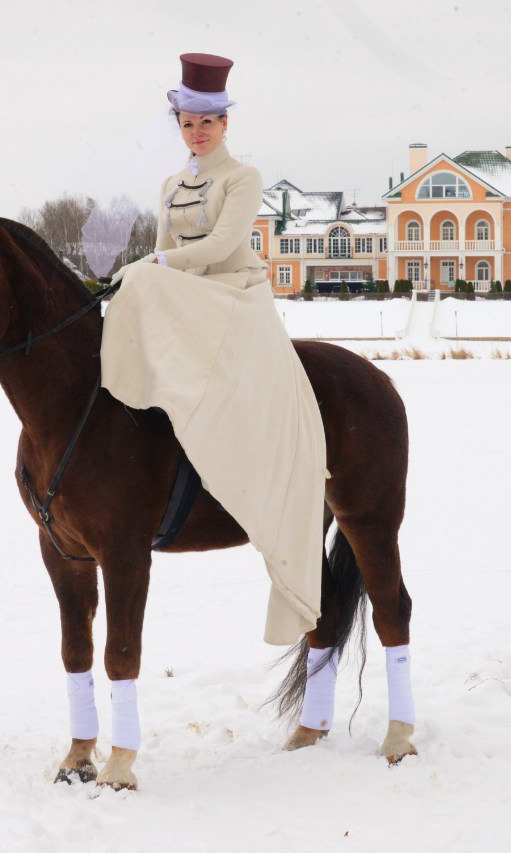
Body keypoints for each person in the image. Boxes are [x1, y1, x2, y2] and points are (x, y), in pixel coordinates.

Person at [101, 53, 328, 647]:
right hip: (185, 293)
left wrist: (156, 265)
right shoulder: (171, 185)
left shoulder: (242, 178)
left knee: (144, 276)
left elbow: (224, 243)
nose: (196, 133)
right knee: (135, 288)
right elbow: (162, 246)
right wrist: (149, 270)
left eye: (207, 123)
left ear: (225, 124)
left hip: (232, 293)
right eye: (186, 123)